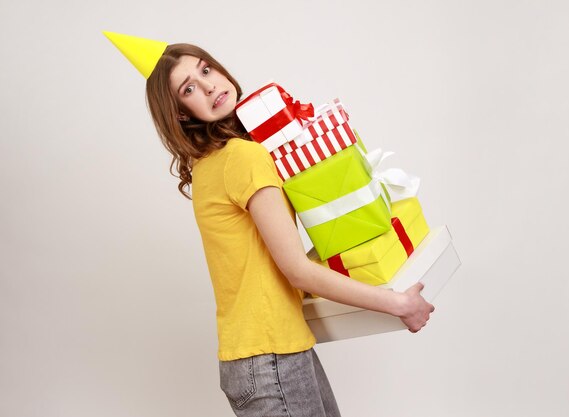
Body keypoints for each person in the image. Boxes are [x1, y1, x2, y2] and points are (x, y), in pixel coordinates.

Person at [142, 42, 435, 417]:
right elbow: (296, 269)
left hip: (263, 353)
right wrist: (398, 304)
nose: (208, 86)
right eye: (188, 89)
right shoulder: (242, 157)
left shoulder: (209, 165)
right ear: (181, 115)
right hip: (271, 359)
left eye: (205, 70)